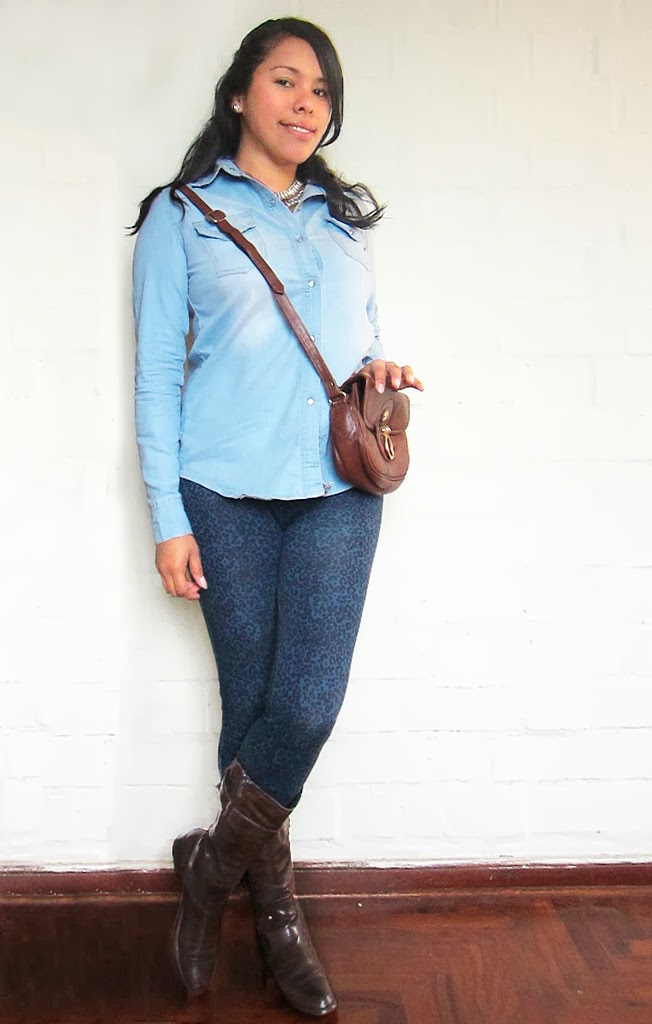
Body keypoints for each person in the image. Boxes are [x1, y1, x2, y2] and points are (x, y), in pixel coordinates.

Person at [131, 16, 423, 1017]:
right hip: (222, 491)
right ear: (239, 95)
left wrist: (379, 368)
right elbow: (155, 378)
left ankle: (208, 874)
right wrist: (167, 517)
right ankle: (277, 910)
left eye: (321, 90)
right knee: (251, 704)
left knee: (303, 707)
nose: (307, 103)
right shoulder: (182, 216)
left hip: (339, 489)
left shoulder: (344, 223)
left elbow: (355, 342)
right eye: (287, 81)